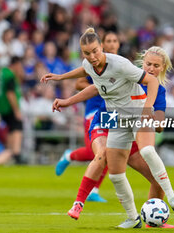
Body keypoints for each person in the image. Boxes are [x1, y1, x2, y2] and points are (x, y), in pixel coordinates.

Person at [41, 28, 174, 228]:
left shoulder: (128, 71)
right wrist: (61, 81)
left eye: (156, 66)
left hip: (135, 117)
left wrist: (150, 114)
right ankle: (129, 217)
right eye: (148, 64)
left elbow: (159, 122)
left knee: (146, 153)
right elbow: (88, 80)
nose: (151, 68)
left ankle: (170, 200)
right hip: (109, 117)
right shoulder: (99, 66)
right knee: (109, 165)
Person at [55, 31, 122, 203]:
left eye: (115, 40)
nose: (112, 43)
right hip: (94, 110)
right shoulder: (96, 62)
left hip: (111, 111)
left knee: (108, 151)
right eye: (109, 41)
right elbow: (78, 83)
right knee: (96, 150)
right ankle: (69, 156)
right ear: (102, 45)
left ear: (119, 44)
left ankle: (94, 190)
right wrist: (101, 87)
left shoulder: (120, 63)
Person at [0, 56, 24, 164]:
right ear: (16, 64)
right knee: (17, 127)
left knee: (10, 130)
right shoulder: (10, 75)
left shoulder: (1, 73)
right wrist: (16, 110)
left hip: (1, 107)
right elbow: (10, 93)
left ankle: (9, 154)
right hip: (9, 107)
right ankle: (15, 154)